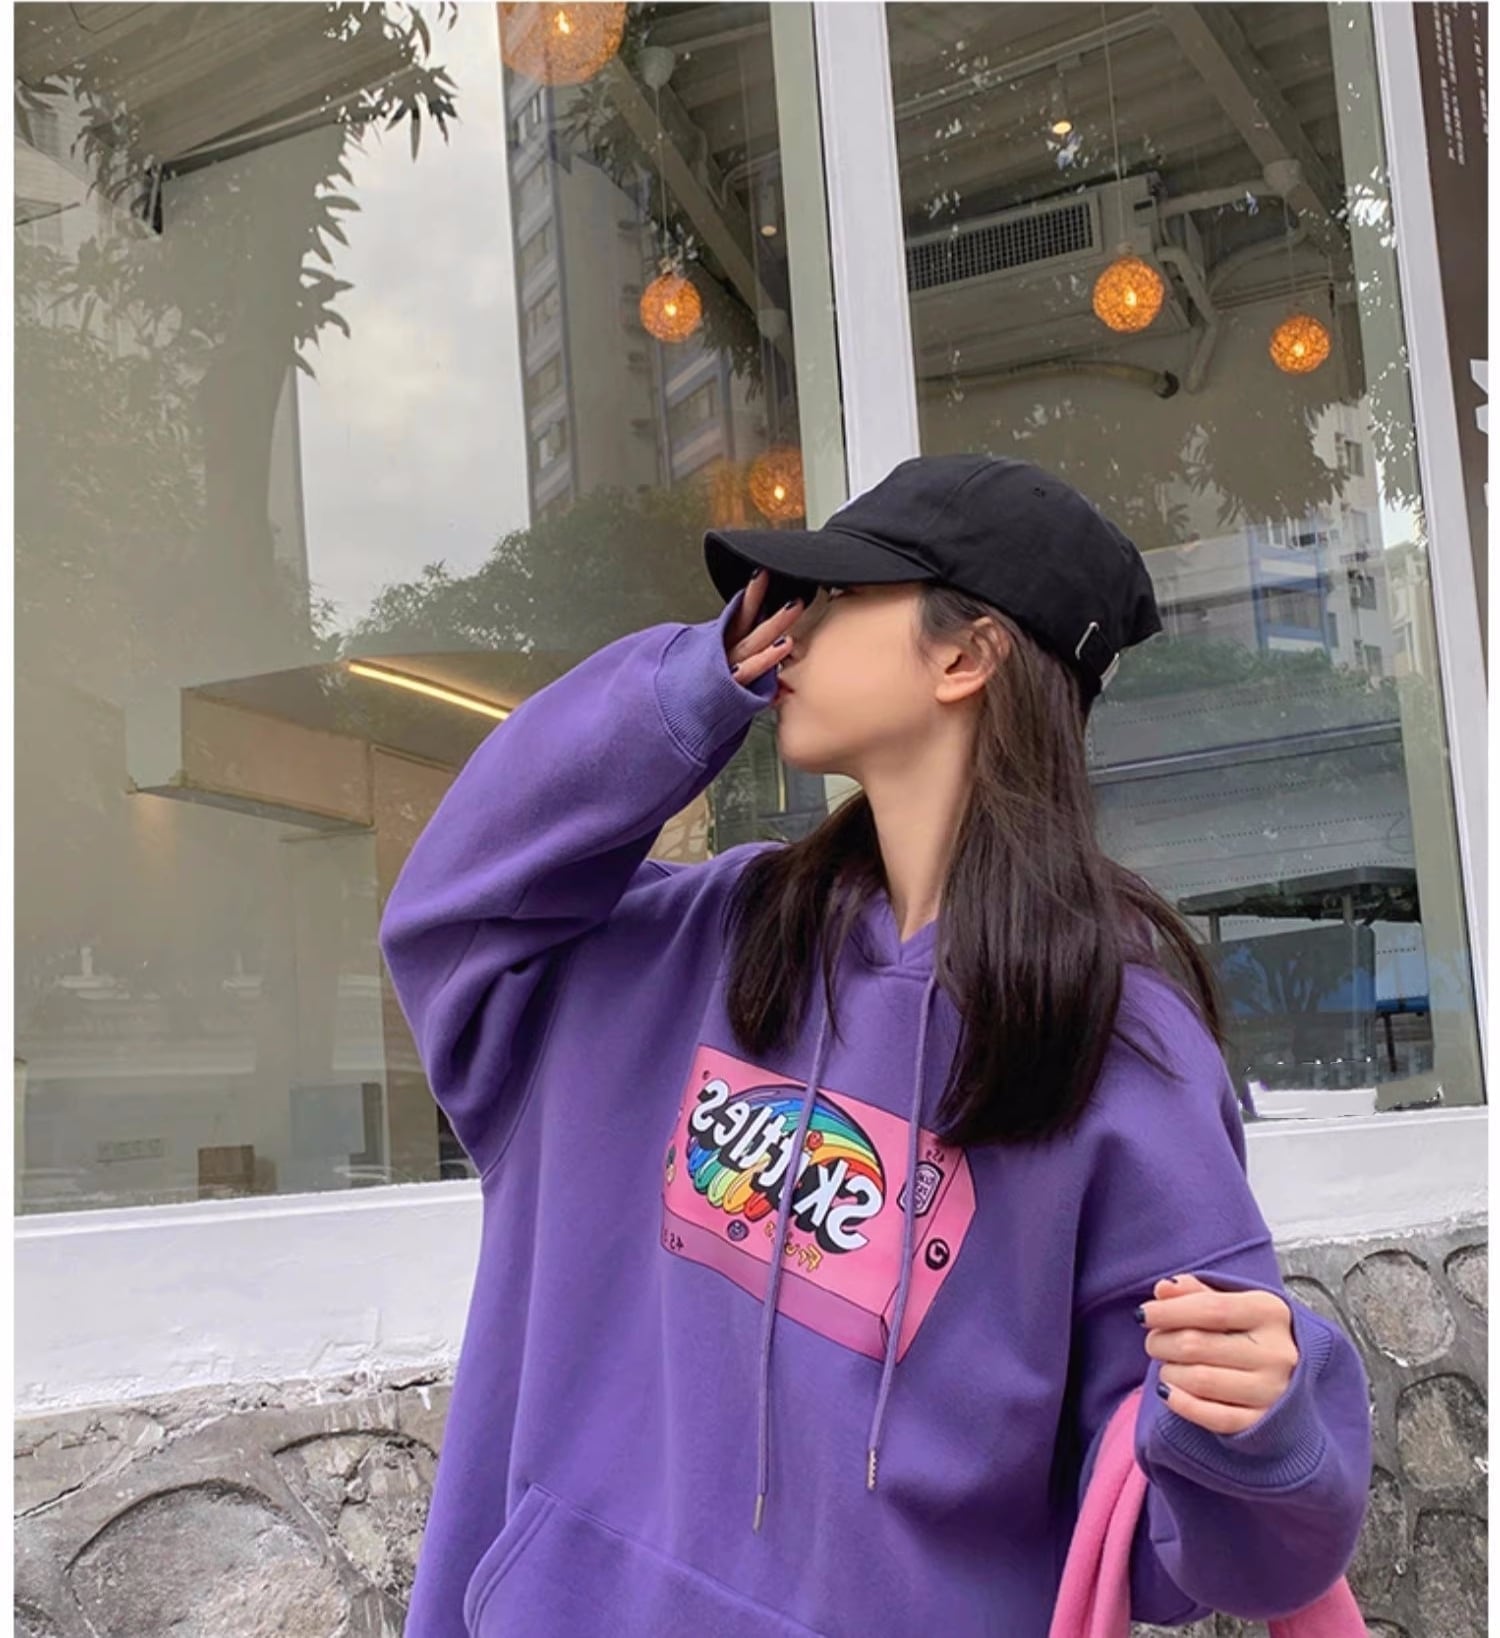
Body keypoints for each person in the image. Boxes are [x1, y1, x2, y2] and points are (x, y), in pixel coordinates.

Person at [381, 455, 1372, 1638]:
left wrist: (1260, 1433)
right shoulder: (696, 946)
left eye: (838, 594)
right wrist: (682, 694)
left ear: (965, 657)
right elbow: (455, 914)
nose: (788, 627)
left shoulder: (1112, 1041)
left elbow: (1164, 1550)